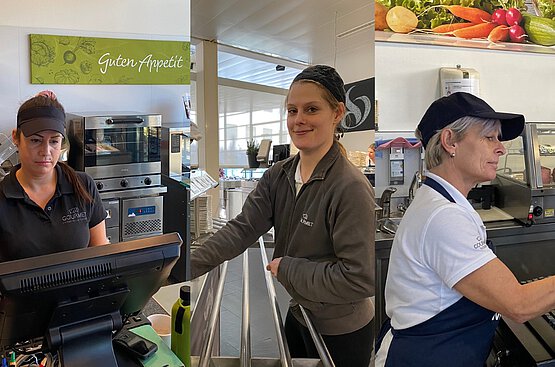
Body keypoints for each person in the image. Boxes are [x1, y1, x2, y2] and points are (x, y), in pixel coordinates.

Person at [191, 65, 375, 367]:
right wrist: (184, 265)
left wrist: (288, 268)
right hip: (300, 312)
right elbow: (242, 228)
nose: (298, 120)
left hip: (341, 331)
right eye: (292, 110)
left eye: (311, 109)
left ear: (337, 112)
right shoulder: (280, 174)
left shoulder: (349, 187)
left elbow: (357, 279)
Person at [375, 92, 555, 366]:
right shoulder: (443, 216)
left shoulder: (444, 202)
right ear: (450, 142)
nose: (501, 149)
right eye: (489, 137)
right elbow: (518, 305)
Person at [0, 90, 108, 261]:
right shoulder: (3, 197)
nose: (46, 152)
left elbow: (101, 252)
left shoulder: (83, 185)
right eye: (35, 140)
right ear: (16, 138)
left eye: (54, 141)